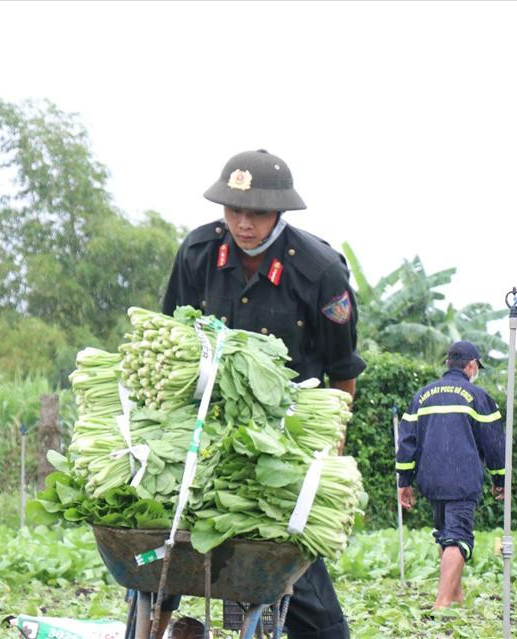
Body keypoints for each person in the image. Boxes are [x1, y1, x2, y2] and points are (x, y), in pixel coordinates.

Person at [157, 149, 366, 638]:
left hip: (283, 444)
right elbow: (174, 344)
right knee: (163, 554)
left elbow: (342, 372)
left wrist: (327, 453)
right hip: (201, 438)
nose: (243, 223)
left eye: (256, 213)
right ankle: (151, 625)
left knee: (297, 574)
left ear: (280, 213)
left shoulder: (319, 271)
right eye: (234, 210)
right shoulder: (197, 254)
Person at [396, 341, 505, 609]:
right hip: (462, 479)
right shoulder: (477, 396)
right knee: (458, 537)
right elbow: (495, 443)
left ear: (448, 363)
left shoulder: (422, 396)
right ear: (471, 365)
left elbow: (406, 441)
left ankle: (456, 598)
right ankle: (442, 605)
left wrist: (404, 482)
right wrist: (500, 479)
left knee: (446, 534)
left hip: (430, 479)